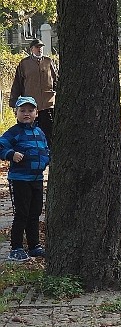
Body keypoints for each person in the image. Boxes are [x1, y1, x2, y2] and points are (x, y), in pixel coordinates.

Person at [0, 96, 50, 261]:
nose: (26, 114)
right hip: (20, 179)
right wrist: (11, 154)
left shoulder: (39, 132)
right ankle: (16, 248)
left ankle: (34, 245)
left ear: (36, 113)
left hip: (37, 179)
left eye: (30, 110)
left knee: (35, 213)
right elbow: (1, 145)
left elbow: (46, 149)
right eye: (22, 111)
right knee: (22, 213)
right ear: (16, 113)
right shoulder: (15, 132)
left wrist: (47, 159)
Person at [9, 38, 57, 147]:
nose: (39, 49)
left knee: (48, 133)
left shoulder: (48, 61)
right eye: (37, 47)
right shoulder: (24, 64)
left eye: (41, 47)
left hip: (47, 104)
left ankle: (48, 156)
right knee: (30, 132)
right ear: (32, 49)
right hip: (30, 105)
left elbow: (56, 80)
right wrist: (14, 101)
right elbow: (18, 83)